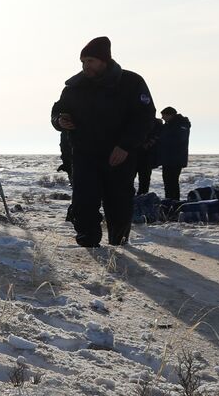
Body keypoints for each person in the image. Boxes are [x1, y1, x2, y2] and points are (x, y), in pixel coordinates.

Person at [51, 36, 155, 247]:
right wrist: (60, 120)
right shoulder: (74, 87)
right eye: (82, 62)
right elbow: (58, 111)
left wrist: (126, 145)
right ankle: (88, 243)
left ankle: (119, 242)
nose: (85, 66)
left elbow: (144, 117)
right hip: (84, 153)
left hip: (119, 154)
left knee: (119, 200)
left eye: (90, 61)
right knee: (83, 200)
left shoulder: (131, 83)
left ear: (104, 61)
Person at [157, 106, 192, 201]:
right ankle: (169, 201)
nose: (162, 118)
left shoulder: (181, 124)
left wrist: (163, 139)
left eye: (164, 115)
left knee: (172, 182)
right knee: (168, 182)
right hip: (168, 159)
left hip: (175, 158)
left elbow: (179, 139)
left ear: (170, 115)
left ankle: (174, 201)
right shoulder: (169, 125)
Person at [134, 115, 163, 196]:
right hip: (137, 156)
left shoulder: (155, 124)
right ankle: (137, 198)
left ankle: (141, 197)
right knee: (142, 180)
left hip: (145, 156)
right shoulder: (154, 124)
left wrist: (148, 144)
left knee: (144, 180)